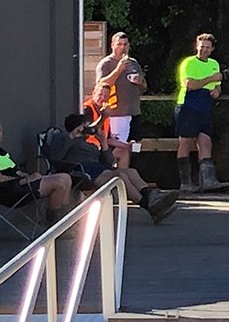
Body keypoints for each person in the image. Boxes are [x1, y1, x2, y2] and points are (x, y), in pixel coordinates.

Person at [44, 112, 178, 223]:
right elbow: (56, 156)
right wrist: (71, 135)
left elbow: (108, 162)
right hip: (82, 170)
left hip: (99, 168)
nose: (86, 129)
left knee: (131, 172)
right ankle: (149, 205)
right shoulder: (63, 138)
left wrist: (103, 143)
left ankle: (151, 197)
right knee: (119, 177)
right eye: (83, 127)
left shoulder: (89, 144)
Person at [0, 117, 72, 215]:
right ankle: (54, 223)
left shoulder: (0, 152)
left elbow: (17, 171)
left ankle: (65, 220)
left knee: (66, 178)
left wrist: (30, 176)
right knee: (59, 183)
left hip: (21, 185)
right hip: (11, 192)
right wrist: (24, 180)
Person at [175, 31, 229, 192]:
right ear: (196, 47)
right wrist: (211, 79)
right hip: (188, 106)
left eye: (207, 47)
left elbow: (217, 86)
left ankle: (208, 181)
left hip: (204, 107)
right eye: (201, 47)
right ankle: (186, 183)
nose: (204, 50)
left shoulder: (214, 64)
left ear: (212, 49)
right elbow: (190, 84)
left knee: (206, 142)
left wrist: (216, 91)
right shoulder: (189, 63)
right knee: (185, 141)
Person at [92, 30, 145, 161]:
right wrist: (118, 70)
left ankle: (128, 174)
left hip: (133, 111)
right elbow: (101, 84)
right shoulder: (106, 64)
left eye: (125, 44)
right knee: (118, 150)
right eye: (119, 44)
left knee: (134, 146)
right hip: (116, 114)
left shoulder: (133, 63)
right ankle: (116, 174)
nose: (122, 47)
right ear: (112, 45)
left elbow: (144, 88)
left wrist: (141, 82)